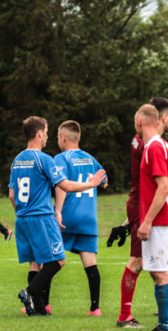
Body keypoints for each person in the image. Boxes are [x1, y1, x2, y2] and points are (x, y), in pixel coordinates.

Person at [118, 98, 168, 328]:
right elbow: (164, 184)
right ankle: (133, 316)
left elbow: (164, 184)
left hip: (150, 210)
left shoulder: (151, 144)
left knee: (167, 261)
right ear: (162, 118)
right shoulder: (152, 145)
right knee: (141, 262)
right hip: (148, 209)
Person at [13, 117, 105, 317]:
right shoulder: (46, 159)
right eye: (46, 132)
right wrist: (91, 184)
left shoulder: (17, 159)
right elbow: (64, 185)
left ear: (63, 138)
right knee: (56, 260)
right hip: (45, 217)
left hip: (23, 218)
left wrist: (21, 211)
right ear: (39, 133)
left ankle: (39, 307)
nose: (47, 136)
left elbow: (12, 194)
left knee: (36, 261)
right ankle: (32, 294)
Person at [53, 120, 107, 315]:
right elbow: (103, 181)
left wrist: (57, 211)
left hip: (68, 215)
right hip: (88, 218)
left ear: (63, 138)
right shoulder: (91, 159)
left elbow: (61, 185)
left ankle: (44, 303)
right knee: (90, 262)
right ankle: (95, 308)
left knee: (48, 258)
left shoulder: (61, 158)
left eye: (58, 137)